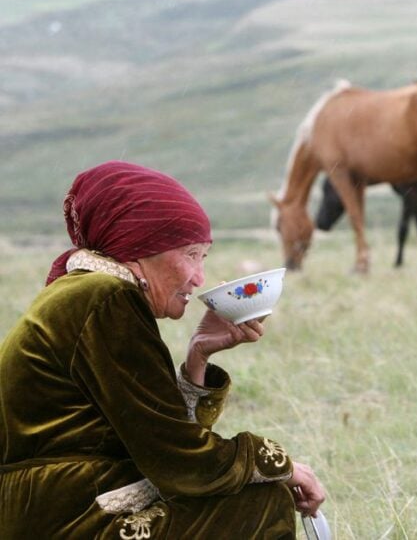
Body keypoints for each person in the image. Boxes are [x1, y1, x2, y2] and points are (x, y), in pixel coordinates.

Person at [0, 161, 325, 538]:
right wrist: (276, 464)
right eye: (190, 254)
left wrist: (198, 354)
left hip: (51, 507)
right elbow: (179, 463)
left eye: (203, 257)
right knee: (260, 503)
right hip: (61, 514)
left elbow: (157, 437)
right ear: (141, 248)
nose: (199, 277)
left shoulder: (87, 293)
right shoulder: (105, 298)